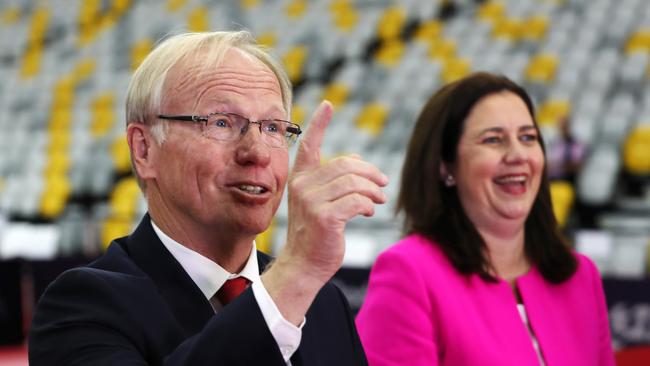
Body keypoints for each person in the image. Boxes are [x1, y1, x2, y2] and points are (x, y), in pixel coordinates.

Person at [28, 31, 388, 365]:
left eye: (274, 127)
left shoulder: (323, 303)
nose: (257, 152)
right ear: (144, 149)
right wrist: (294, 275)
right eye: (220, 122)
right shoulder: (84, 304)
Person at [355, 72, 615, 366]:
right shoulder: (410, 273)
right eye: (493, 139)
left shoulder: (581, 276)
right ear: (445, 165)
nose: (518, 154)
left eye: (528, 137)